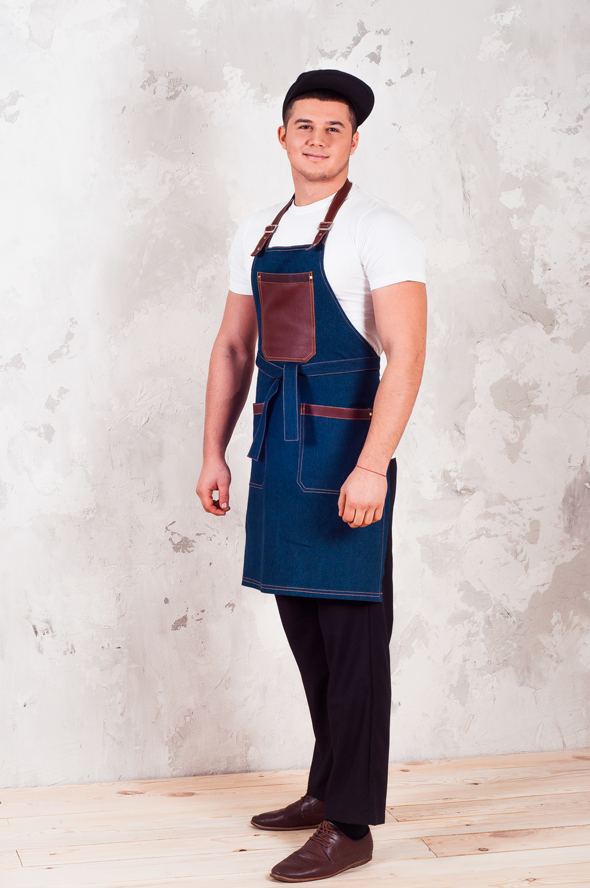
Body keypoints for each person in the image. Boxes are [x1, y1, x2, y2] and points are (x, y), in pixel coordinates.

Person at [196, 68, 427, 882]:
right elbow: (235, 348)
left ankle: (352, 825)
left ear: (354, 140)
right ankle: (329, 787)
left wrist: (372, 466)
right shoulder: (256, 232)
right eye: (305, 125)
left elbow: (407, 356)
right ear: (283, 134)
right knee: (308, 636)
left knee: (354, 642)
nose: (318, 139)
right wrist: (213, 450)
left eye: (334, 128)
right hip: (279, 454)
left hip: (344, 459)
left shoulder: (379, 229)